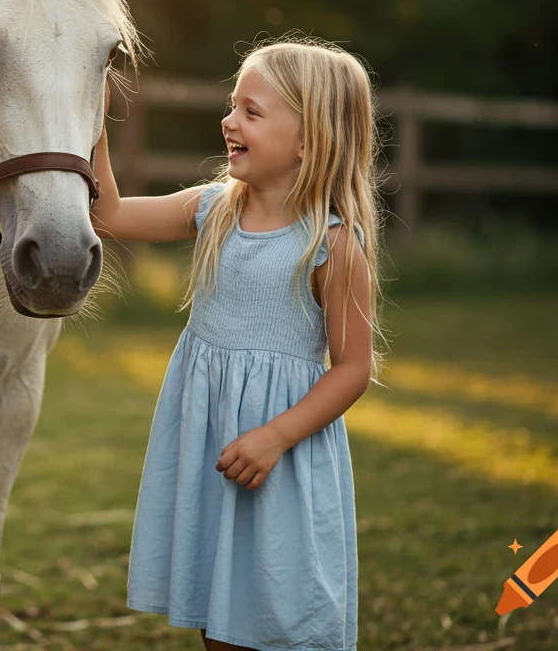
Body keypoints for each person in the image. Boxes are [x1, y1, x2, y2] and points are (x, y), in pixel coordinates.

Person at [93, 39, 385, 651]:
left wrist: (275, 436)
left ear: (309, 140)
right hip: (212, 442)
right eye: (232, 106)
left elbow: (352, 369)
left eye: (251, 112)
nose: (229, 121)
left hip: (279, 452)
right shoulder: (210, 209)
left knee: (282, 613)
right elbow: (110, 214)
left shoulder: (332, 247)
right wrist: (92, 122)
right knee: (219, 616)